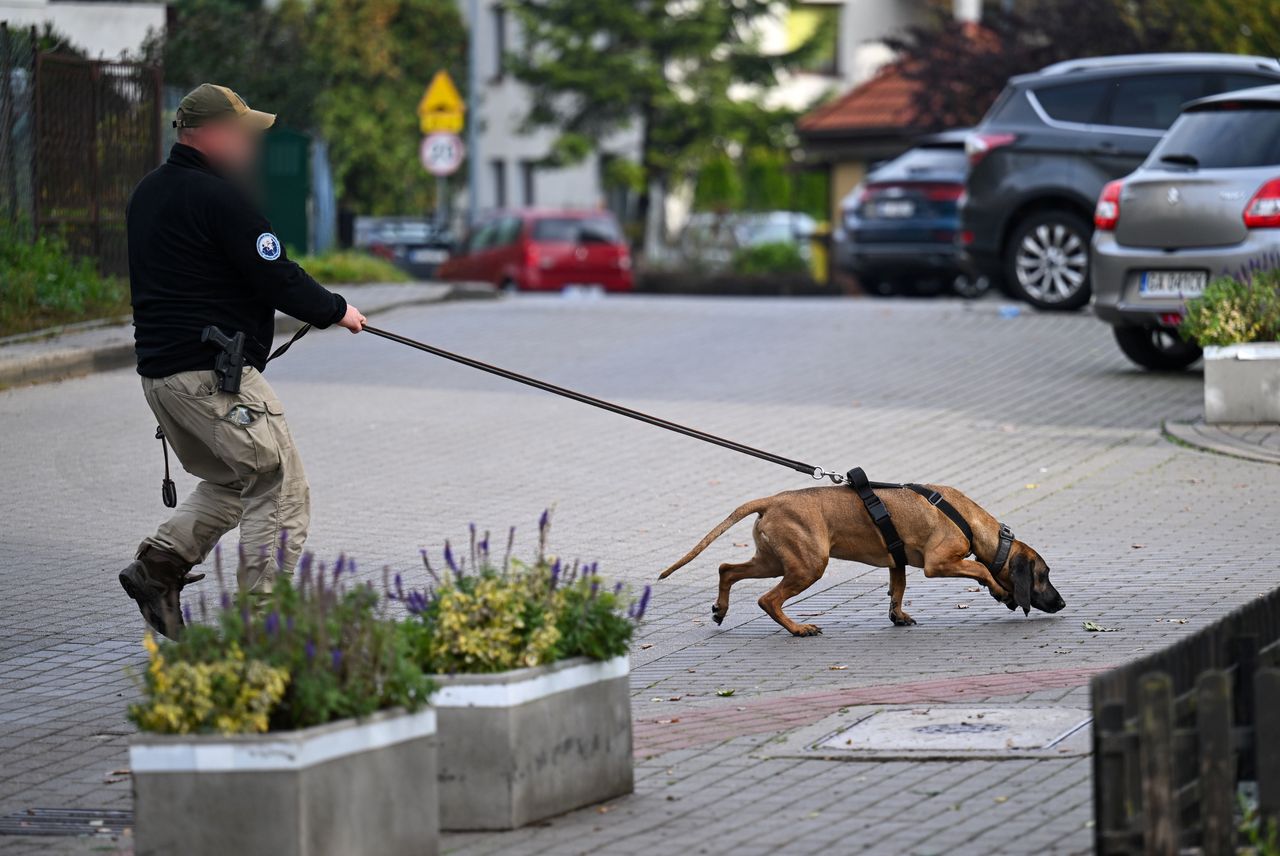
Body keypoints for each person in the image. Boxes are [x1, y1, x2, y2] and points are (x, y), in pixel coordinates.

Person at [118, 84, 366, 639]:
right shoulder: (219, 197)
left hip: (164, 379)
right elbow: (276, 275)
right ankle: (262, 631)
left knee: (237, 480)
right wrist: (337, 310)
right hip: (213, 379)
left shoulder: (149, 192)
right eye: (244, 132)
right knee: (280, 486)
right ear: (214, 134)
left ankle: (158, 567)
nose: (251, 144)